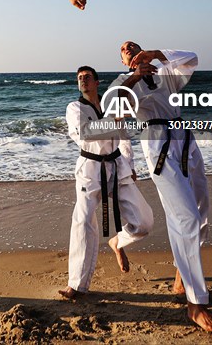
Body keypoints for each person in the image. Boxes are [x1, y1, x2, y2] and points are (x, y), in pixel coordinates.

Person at [111, 41, 212, 336]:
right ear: (123, 60)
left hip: (185, 140)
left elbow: (192, 57)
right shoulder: (124, 82)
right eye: (125, 49)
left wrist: (157, 55)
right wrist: (136, 75)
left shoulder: (164, 73)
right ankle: (195, 303)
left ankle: (181, 275)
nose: (130, 48)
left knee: (201, 212)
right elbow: (114, 108)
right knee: (186, 217)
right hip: (157, 143)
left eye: (135, 45)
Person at [59, 65, 153, 300]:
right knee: (83, 223)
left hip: (117, 165)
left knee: (144, 221)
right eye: (79, 78)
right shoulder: (75, 108)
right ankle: (77, 284)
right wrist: (114, 118)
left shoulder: (112, 106)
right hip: (90, 169)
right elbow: (84, 132)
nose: (83, 80)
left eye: (87, 77)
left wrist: (130, 166)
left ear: (97, 82)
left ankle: (117, 242)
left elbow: (124, 137)